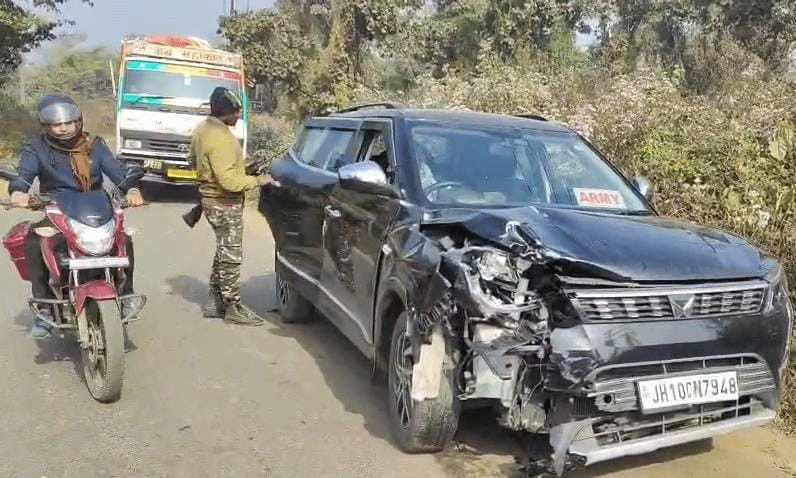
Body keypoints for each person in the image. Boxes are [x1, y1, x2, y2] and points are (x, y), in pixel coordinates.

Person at [8, 93, 145, 338]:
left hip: (96, 207)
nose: (63, 128)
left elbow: (118, 173)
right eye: (56, 125)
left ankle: (127, 294)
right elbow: (24, 175)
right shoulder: (36, 148)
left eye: (68, 123)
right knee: (34, 240)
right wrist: (19, 192)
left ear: (78, 121)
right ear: (46, 126)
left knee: (123, 238)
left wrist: (132, 189)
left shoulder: (95, 146)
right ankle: (45, 305)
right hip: (56, 207)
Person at [191, 86, 274, 326]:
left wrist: (243, 169)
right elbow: (228, 181)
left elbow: (199, 162)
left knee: (223, 251)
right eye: (236, 111)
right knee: (231, 256)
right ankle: (231, 305)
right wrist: (258, 180)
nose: (239, 115)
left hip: (210, 200)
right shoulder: (222, 139)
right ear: (225, 112)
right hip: (224, 203)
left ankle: (214, 301)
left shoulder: (203, 130)